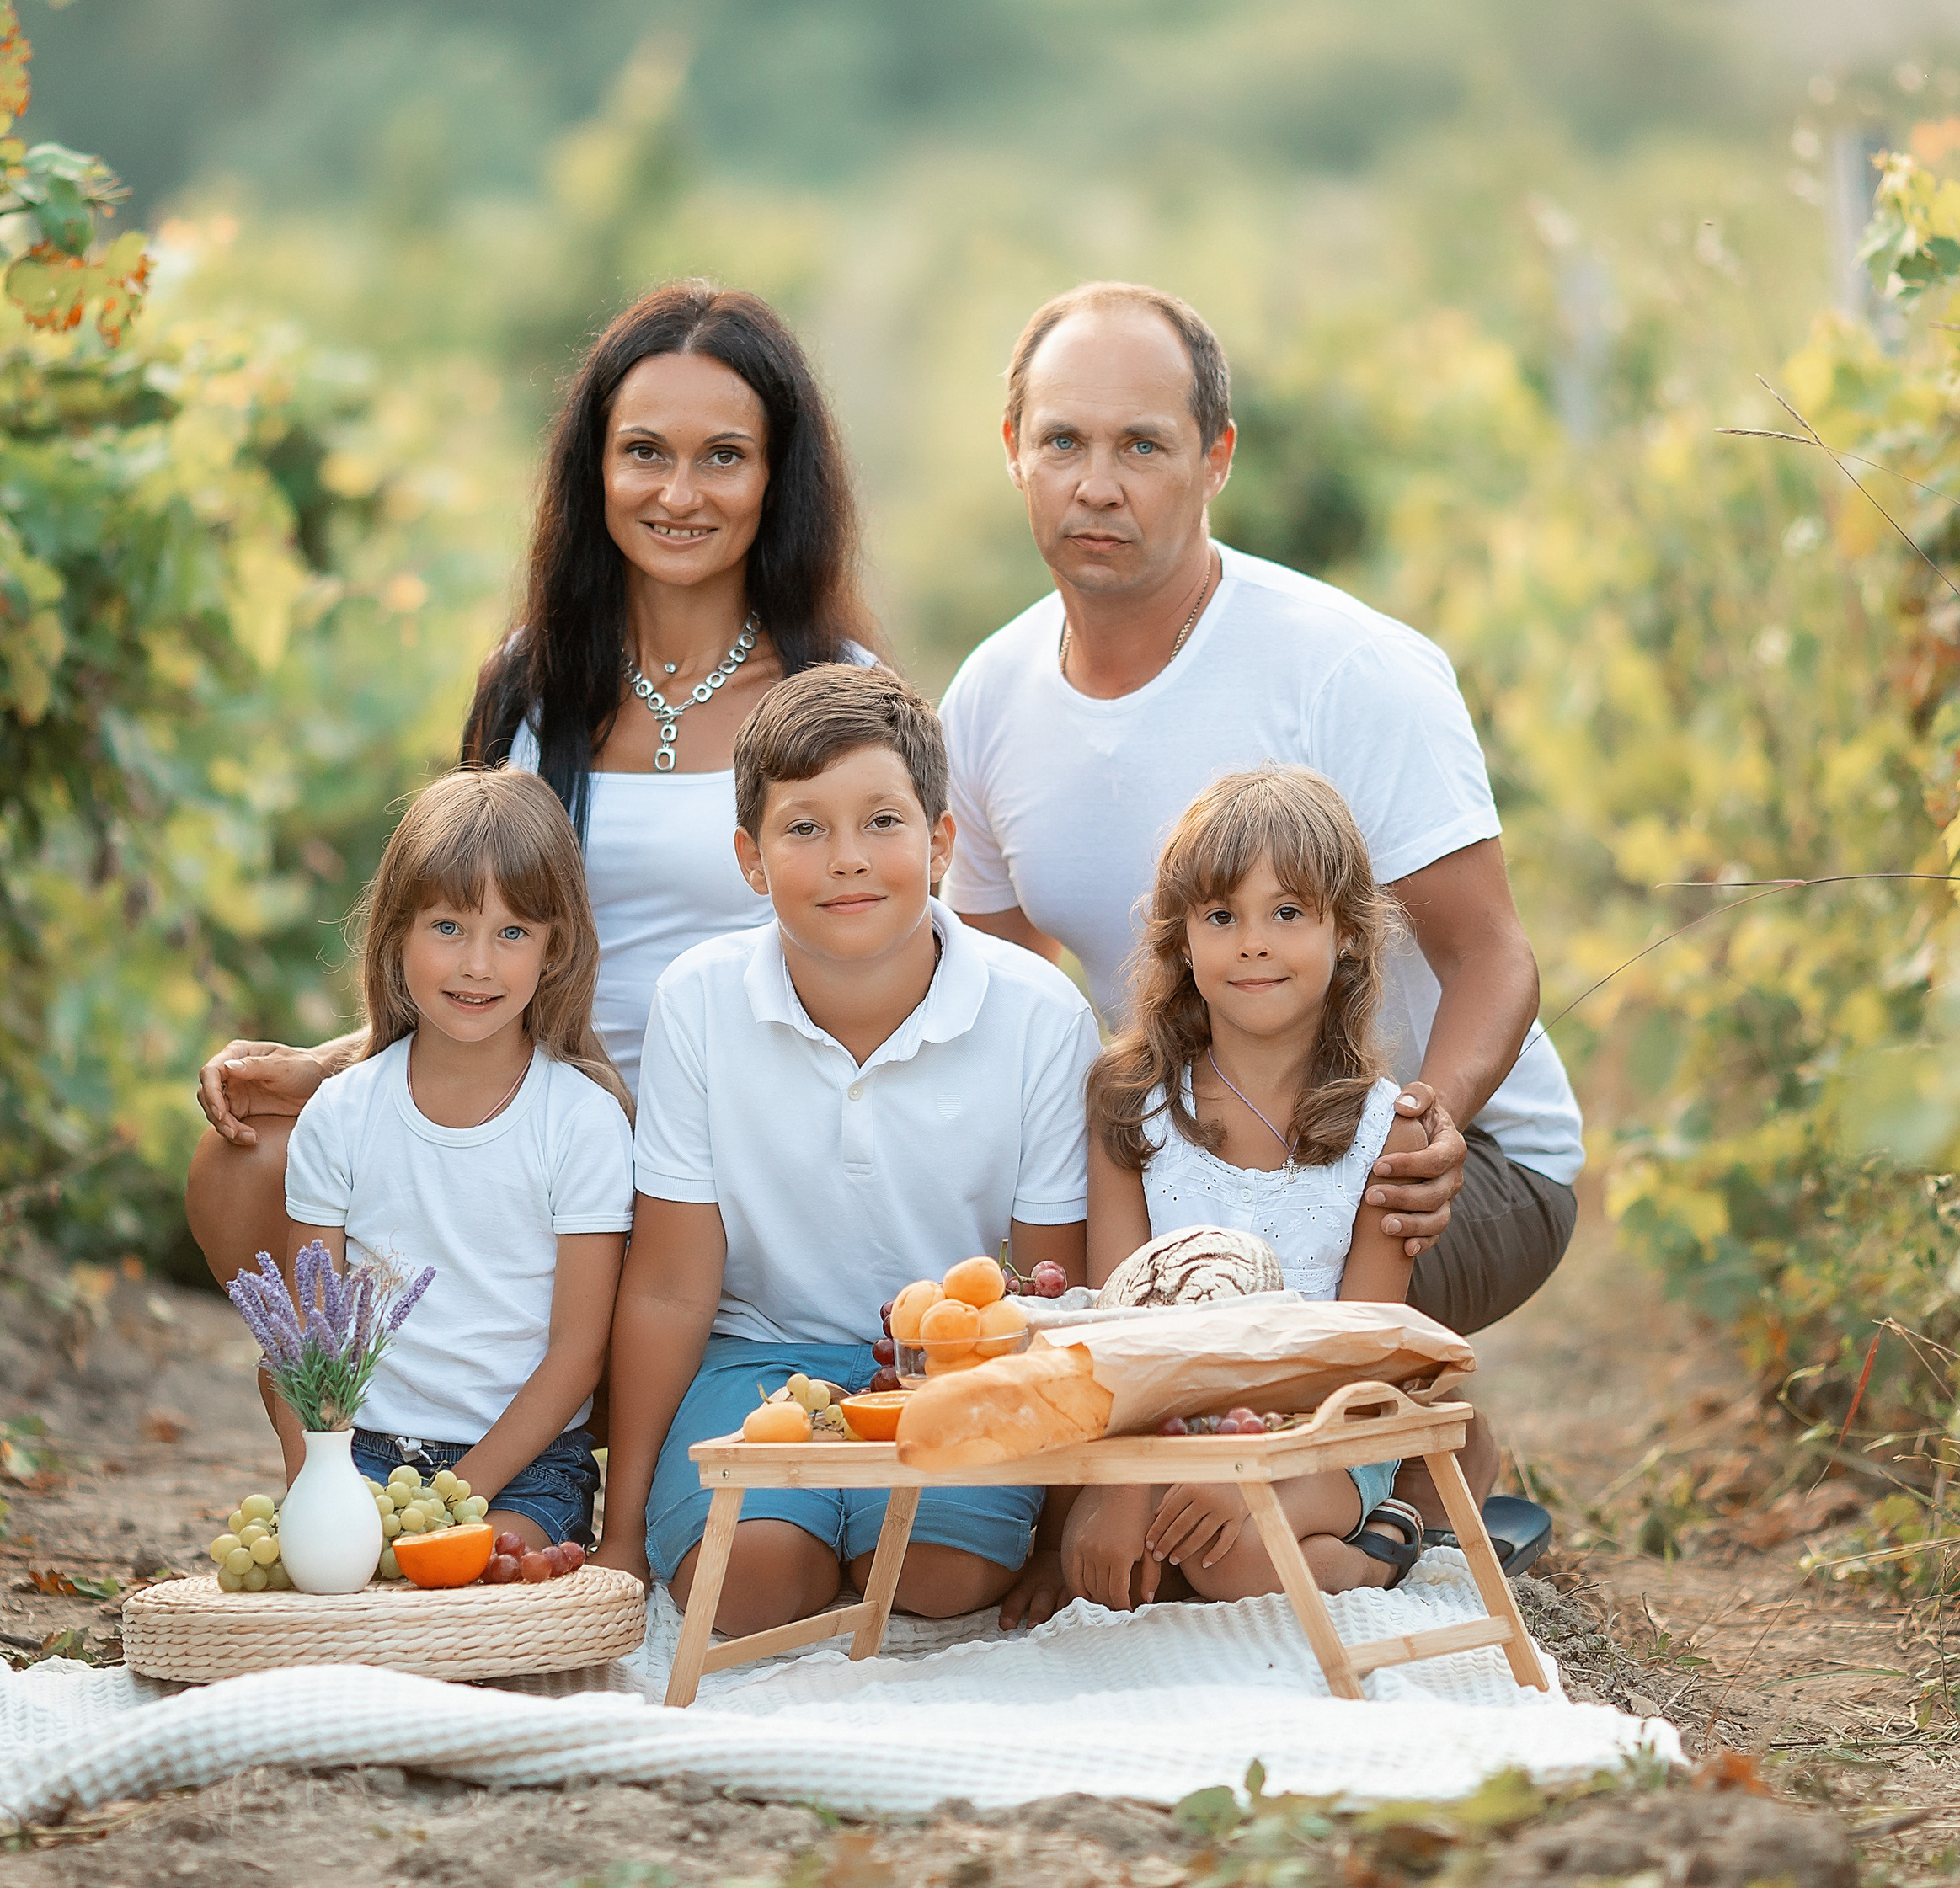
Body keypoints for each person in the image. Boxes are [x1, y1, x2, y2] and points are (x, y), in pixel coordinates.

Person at [187, 282, 876, 1368]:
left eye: (724, 457)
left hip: (739, 1153)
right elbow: (469, 924)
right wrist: (336, 1064)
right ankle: (358, 1464)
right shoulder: (527, 686)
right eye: (645, 451)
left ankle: (592, 1446)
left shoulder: (839, 698)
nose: (680, 493)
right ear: (594, 467)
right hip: (531, 1118)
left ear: (776, 477)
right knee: (247, 1160)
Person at [940, 280, 1583, 1366]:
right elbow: (1002, 994)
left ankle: (1401, 1479)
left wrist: (1435, 1120)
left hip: (1438, 1169)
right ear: (1013, 449)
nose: (1097, 485)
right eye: (1063, 442)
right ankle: (1406, 1462)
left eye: (1142, 446)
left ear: (1217, 457)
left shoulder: (1346, 669)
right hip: (1187, 1154)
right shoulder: (990, 695)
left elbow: (1493, 952)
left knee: (1234, 1287)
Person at [593, 665, 1097, 1635]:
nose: (846, 859)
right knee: (744, 1589)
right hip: (757, 1357)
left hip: (956, 1370)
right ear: (749, 858)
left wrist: (1057, 1529)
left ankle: (875, 1532)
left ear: (942, 841)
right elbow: (665, 1286)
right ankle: (791, 1530)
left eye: (881, 822)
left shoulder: (1037, 1012)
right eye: (803, 827)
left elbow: (1054, 1292)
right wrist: (619, 1532)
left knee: (939, 1572)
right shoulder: (698, 1002)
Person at [1066, 765, 1450, 1609]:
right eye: (1219, 915)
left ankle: (1381, 1546)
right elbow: (1118, 1323)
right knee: (1114, 1574)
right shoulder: (1131, 1107)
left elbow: (1363, 1355)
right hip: (1161, 1431)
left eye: (1286, 912)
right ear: (1179, 939)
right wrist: (1122, 1490)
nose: (1252, 942)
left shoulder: (1391, 1129)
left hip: (1326, 1434)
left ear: (1348, 932)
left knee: (1232, 1560)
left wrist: (1248, 1476)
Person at [281, 767, 633, 1549]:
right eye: (447, 927)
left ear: (554, 949)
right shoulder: (340, 1115)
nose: (478, 964)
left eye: (512, 933)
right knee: (354, 1584)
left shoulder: (581, 1123)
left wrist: (454, 1498)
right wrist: (323, 1486)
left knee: (475, 1577)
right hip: (364, 1454)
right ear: (397, 933)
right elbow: (308, 1340)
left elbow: (578, 1353)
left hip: (528, 1468)